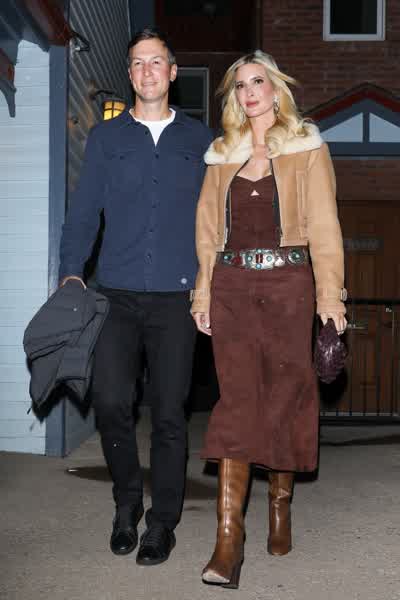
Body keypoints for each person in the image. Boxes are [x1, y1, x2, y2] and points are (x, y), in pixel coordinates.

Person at [191, 50, 347, 589]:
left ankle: (280, 502)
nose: (249, 92)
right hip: (232, 286)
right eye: (240, 85)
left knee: (284, 398)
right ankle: (227, 541)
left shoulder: (306, 147)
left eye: (258, 81)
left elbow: (325, 228)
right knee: (236, 403)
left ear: (276, 90)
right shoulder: (221, 156)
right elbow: (207, 234)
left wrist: (331, 301)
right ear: (234, 97)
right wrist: (202, 293)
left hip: (289, 287)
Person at [59, 28, 213, 565]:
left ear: (172, 72)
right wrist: (71, 273)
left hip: (177, 297)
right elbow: (84, 213)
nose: (147, 71)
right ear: (129, 74)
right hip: (116, 295)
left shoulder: (200, 140)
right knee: (109, 402)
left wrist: (211, 284)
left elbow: (214, 220)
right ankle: (127, 503)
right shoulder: (106, 139)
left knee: (169, 413)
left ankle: (162, 522)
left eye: (156, 62)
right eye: (138, 63)